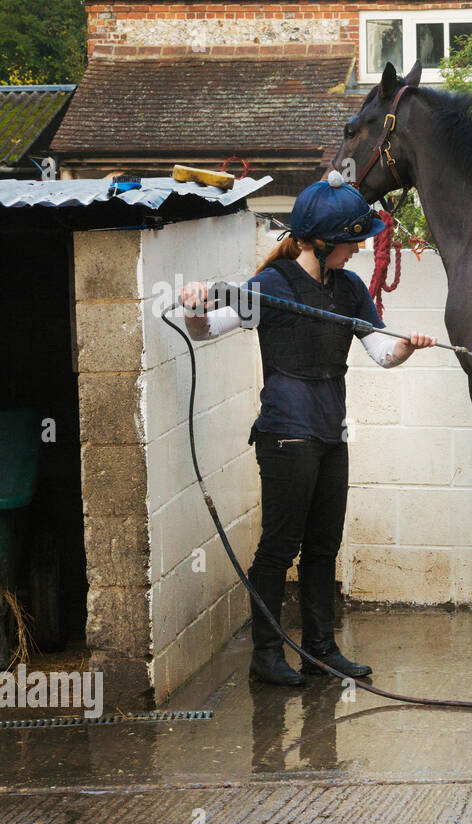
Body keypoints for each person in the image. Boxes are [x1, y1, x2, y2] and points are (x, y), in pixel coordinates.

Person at [180, 176, 436, 687]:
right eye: (351, 240)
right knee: (279, 548)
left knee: (323, 546)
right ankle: (266, 656)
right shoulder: (271, 286)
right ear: (320, 241)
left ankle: (321, 650)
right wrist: (193, 301)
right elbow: (205, 330)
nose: (359, 248)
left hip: (330, 432)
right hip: (285, 434)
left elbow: (381, 354)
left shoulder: (349, 288)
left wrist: (407, 345)